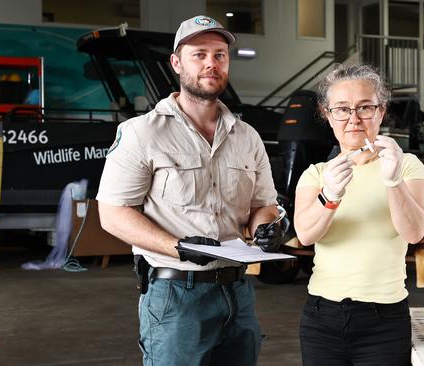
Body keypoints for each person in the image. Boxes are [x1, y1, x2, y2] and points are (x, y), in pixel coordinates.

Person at [96, 15, 284, 366]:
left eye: (220, 55)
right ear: (177, 63)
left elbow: (264, 204)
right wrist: (179, 247)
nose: (211, 63)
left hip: (238, 292)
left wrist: (265, 227)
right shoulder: (142, 133)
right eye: (199, 54)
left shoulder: (248, 137)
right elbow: (113, 214)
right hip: (175, 295)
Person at [293, 63, 424, 366]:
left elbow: (414, 233)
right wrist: (329, 197)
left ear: (380, 112)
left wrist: (392, 180)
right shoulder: (317, 174)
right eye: (342, 109)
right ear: (328, 115)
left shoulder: (407, 165)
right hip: (322, 318)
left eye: (364, 108)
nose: (353, 119)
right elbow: (304, 235)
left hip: (383, 319)